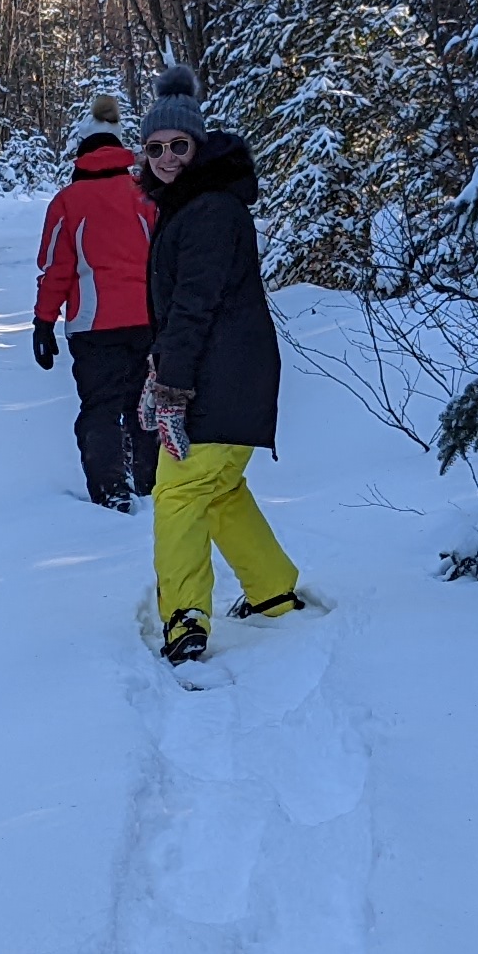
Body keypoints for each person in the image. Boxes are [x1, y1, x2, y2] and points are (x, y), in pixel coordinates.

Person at [132, 67, 304, 665]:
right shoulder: (200, 203)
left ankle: (184, 620)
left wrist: (171, 384)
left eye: (179, 145)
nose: (166, 157)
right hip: (236, 378)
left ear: (198, 145)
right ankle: (274, 592)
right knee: (221, 487)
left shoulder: (205, 209)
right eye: (155, 147)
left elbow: (193, 305)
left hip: (216, 380)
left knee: (177, 494)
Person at [30, 95, 156, 509]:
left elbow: (55, 269)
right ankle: (150, 484)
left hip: (92, 327)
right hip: (148, 321)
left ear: (81, 157)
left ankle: (110, 491)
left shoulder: (68, 202)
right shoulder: (145, 194)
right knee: (144, 406)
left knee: (100, 409)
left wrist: (44, 322)